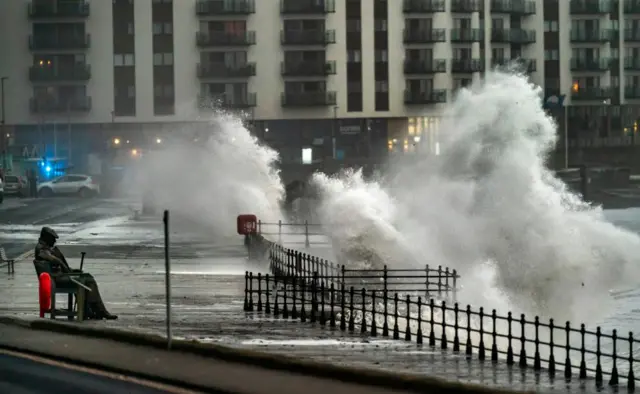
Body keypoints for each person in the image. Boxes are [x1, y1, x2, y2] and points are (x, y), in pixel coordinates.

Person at [35, 227, 117, 320]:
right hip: (56, 279)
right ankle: (96, 310)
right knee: (88, 280)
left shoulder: (47, 247)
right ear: (47, 238)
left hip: (58, 276)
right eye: (53, 239)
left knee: (86, 277)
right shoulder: (41, 248)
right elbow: (50, 258)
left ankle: (89, 309)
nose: (54, 241)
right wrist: (62, 264)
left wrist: (70, 270)